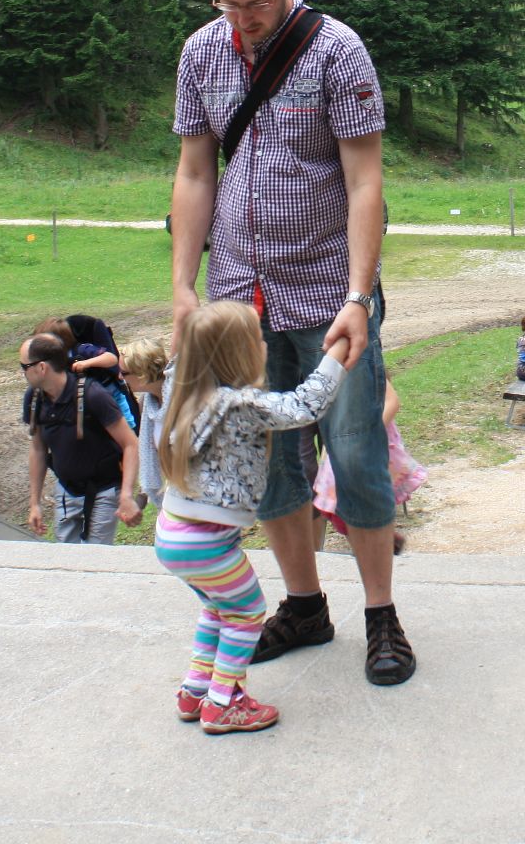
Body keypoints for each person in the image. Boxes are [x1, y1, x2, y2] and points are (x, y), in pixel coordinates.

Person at [169, 0, 414, 685]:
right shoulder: (200, 53)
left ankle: (382, 616)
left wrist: (359, 294)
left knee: (356, 453)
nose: (242, 19)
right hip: (240, 299)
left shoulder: (338, 51)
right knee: (267, 461)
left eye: (256, 4)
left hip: (328, 293)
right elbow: (196, 172)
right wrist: (183, 287)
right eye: (228, 4)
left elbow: (365, 181)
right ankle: (305, 606)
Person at [155, 300, 345, 734]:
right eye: (257, 340)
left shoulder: (187, 397)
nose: (265, 345)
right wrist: (334, 356)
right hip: (206, 545)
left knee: (218, 608)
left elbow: (179, 361)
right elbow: (304, 406)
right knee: (246, 613)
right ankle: (224, 703)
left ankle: (195, 691)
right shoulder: (239, 405)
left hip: (174, 536)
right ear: (238, 354)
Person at [21, 332, 140, 543]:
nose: (23, 373)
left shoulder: (93, 395)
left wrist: (126, 495)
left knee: (94, 557)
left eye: (25, 367)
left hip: (103, 490)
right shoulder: (35, 398)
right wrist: (34, 503)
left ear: (42, 368)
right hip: (67, 490)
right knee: (66, 555)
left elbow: (130, 443)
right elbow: (38, 449)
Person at [314, 378, 424, 555]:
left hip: (371, 444)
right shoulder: (330, 375)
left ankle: (377, 544)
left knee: (369, 495)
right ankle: (367, 546)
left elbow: (392, 402)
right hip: (341, 446)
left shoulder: (368, 369)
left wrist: (369, 433)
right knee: (338, 499)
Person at [120, 338, 170, 513]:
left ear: (142, 372)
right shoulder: (148, 404)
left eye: (124, 373)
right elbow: (149, 452)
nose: (120, 378)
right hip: (175, 493)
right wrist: (141, 498)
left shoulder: (182, 398)